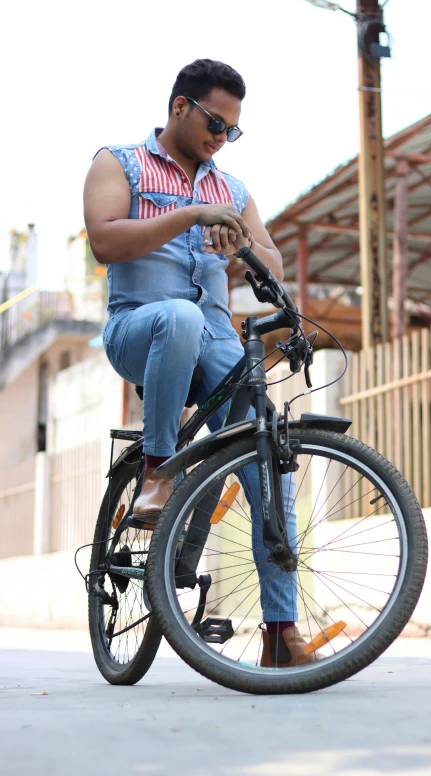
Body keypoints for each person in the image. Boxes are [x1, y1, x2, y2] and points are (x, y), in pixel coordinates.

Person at [84, 58, 317, 667]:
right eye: (216, 121)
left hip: (216, 341)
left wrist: (241, 239)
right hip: (139, 327)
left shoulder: (233, 190)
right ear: (180, 107)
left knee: (271, 465)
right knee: (179, 317)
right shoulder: (119, 161)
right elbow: (105, 240)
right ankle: (159, 469)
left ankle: (280, 633)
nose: (221, 136)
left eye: (232, 129)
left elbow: (275, 264)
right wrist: (189, 216)